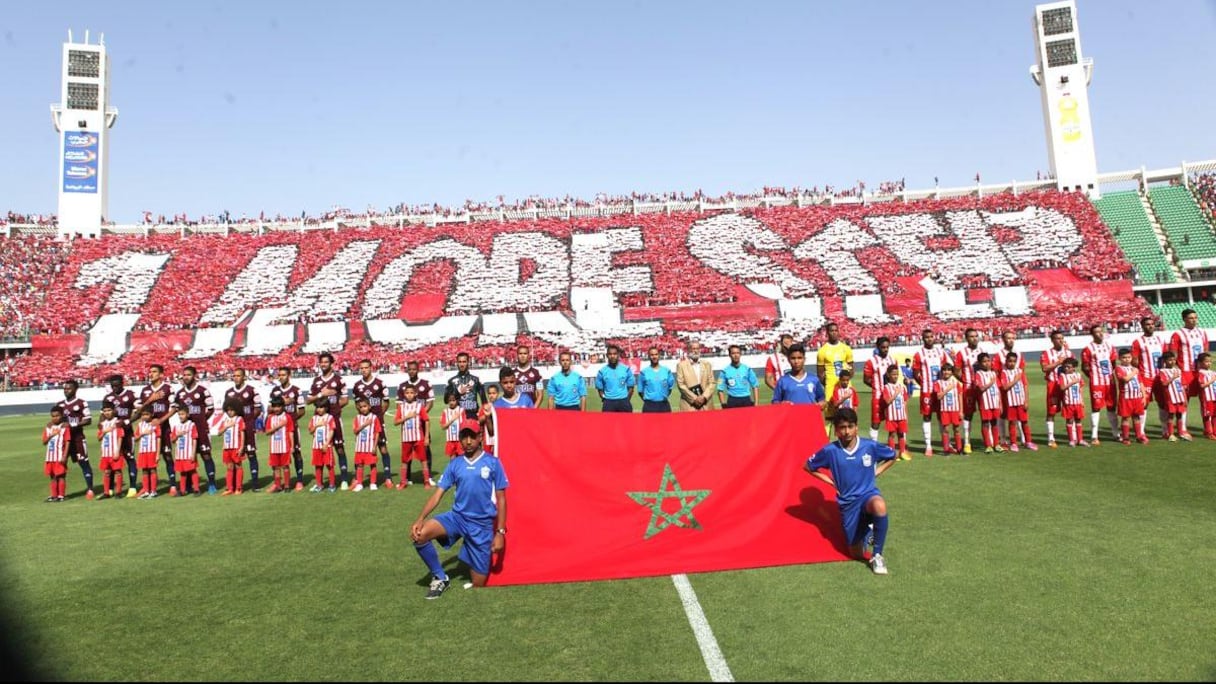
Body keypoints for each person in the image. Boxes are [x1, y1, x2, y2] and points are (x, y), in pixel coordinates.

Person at [410, 419, 508, 598]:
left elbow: (501, 499)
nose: (468, 441)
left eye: (472, 436)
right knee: (420, 535)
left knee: (479, 584)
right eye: (464, 437)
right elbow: (438, 494)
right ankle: (440, 577)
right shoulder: (455, 464)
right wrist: (420, 518)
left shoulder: (493, 463)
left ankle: (470, 548)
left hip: (481, 525)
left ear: (480, 437)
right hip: (457, 518)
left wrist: (500, 532)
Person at [804, 408, 897, 575]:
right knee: (855, 553)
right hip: (848, 503)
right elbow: (808, 466)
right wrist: (831, 481)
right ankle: (869, 531)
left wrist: (876, 472)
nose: (846, 431)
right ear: (837, 429)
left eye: (850, 426)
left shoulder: (869, 446)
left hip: (868, 495)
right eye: (842, 427)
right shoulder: (830, 451)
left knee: (880, 505)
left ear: (856, 427)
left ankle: (877, 556)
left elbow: (892, 456)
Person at [306, 353, 351, 488]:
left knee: (339, 448)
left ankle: (343, 479)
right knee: (320, 449)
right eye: (322, 362)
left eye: (326, 362)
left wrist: (334, 408)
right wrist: (321, 394)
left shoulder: (339, 380)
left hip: (335, 419)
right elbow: (308, 400)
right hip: (320, 422)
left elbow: (345, 399)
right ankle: (321, 482)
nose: (323, 364)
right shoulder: (316, 381)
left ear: (331, 364)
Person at [174, 365, 218, 494]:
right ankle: (187, 486)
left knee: (206, 455)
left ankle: (211, 483)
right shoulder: (180, 394)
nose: (185, 377)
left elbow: (210, 409)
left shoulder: (203, 391)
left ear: (194, 376)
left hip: (201, 429)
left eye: (188, 374)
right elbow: (177, 410)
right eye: (184, 375)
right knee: (187, 457)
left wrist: (202, 421)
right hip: (186, 433)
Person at [352, 358, 394, 489]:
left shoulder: (379, 384)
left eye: (366, 367)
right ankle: (357, 480)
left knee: (382, 448)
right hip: (364, 424)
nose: (364, 370)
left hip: (377, 422)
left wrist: (379, 415)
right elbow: (356, 404)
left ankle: (387, 477)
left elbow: (386, 402)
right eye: (362, 368)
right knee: (361, 449)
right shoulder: (357, 386)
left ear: (371, 368)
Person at [1170, 308, 1210, 439]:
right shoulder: (1178, 334)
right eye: (1191, 318)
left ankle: (1208, 430)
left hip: (1200, 372)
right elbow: (1173, 355)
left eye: (1195, 317)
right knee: (1183, 402)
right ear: (1184, 319)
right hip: (1185, 372)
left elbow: (1205, 353)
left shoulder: (1202, 333)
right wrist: (1177, 371)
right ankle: (1182, 429)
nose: (1194, 320)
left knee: (1205, 400)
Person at [55, 379, 95, 499]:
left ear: (75, 389)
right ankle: (60, 493)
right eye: (65, 388)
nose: (66, 390)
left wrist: (73, 425)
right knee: (61, 464)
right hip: (63, 441)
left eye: (69, 388)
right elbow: (56, 421)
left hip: (77, 439)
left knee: (83, 463)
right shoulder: (60, 405)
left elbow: (88, 420)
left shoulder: (82, 403)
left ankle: (90, 489)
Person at [225, 368, 263, 490]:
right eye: (234, 375)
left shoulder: (252, 390)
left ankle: (255, 483)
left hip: (248, 427)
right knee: (235, 457)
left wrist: (250, 421)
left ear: (244, 377)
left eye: (238, 375)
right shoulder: (229, 393)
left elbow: (258, 408)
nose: (236, 378)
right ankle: (236, 485)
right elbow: (227, 410)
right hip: (235, 431)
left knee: (251, 454)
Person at [912, 329, 948, 457]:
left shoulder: (940, 352)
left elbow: (946, 369)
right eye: (926, 337)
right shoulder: (918, 354)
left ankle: (946, 445)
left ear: (934, 337)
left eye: (931, 336)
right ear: (923, 339)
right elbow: (916, 373)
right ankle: (928, 446)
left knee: (941, 416)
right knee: (927, 417)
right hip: (927, 390)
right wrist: (923, 384)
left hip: (940, 389)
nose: (929, 339)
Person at [953, 328, 990, 454]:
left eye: (976, 336)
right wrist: (964, 381)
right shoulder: (961, 353)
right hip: (969, 388)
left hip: (982, 388)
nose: (974, 338)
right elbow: (956, 370)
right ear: (966, 338)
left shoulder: (983, 351)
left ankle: (988, 443)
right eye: (971, 336)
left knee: (986, 415)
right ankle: (967, 442)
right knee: (968, 415)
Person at [269, 367, 306, 492]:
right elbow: (270, 409)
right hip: (277, 430)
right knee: (276, 455)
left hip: (292, 427)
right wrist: (281, 403)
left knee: (296, 452)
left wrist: (290, 419)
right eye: (279, 375)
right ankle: (277, 483)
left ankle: (299, 480)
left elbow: (302, 411)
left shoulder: (296, 391)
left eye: (283, 374)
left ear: (289, 375)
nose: (281, 377)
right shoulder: (274, 391)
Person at [102, 374, 139, 498]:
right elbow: (103, 414)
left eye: (117, 385)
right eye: (113, 386)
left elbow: (139, 411)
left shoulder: (130, 395)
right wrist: (101, 426)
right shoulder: (108, 397)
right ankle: (111, 488)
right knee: (112, 459)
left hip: (127, 432)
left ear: (122, 384)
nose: (115, 388)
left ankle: (133, 487)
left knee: (130, 458)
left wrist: (128, 421)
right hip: (112, 436)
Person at [1081, 324, 1118, 445]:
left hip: (1110, 382)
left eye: (1101, 331)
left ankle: (1115, 433)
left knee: (1112, 407)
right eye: (1097, 332)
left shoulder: (1109, 346)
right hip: (1097, 383)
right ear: (1092, 334)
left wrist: (1110, 376)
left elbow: (1113, 363)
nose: (1100, 333)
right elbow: (1085, 367)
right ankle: (1094, 436)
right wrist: (1093, 377)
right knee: (1096, 408)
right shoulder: (1088, 349)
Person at [1132, 316, 1167, 429]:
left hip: (1159, 377)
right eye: (1147, 324)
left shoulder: (1161, 340)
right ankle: (1141, 431)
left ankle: (1165, 430)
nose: (1151, 326)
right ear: (1142, 326)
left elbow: (1166, 359)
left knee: (1162, 403)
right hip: (1145, 377)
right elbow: (1134, 361)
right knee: (1143, 404)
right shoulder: (1138, 342)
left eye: (1152, 324)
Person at [1040, 331, 1073, 449]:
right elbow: (1044, 368)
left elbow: (1073, 367)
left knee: (1070, 409)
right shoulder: (1046, 353)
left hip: (1067, 384)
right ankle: (1051, 438)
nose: (1060, 340)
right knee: (1051, 411)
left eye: (1062, 338)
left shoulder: (1069, 353)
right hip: (1053, 385)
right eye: (1057, 338)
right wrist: (1059, 362)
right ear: (1052, 340)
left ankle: (1072, 438)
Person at [393, 383, 429, 489]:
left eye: (411, 393)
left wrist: (426, 436)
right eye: (407, 393)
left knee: (423, 459)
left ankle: (426, 481)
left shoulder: (419, 406)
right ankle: (403, 482)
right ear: (404, 394)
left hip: (418, 438)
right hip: (406, 438)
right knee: (404, 460)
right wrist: (406, 417)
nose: (409, 395)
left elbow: (426, 421)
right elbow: (395, 422)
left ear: (415, 394)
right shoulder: (401, 407)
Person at [1000, 352, 1036, 451]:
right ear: (1006, 361)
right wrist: (1015, 380)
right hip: (1011, 402)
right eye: (1010, 361)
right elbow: (1005, 387)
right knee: (1012, 423)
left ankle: (1028, 441)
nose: (1012, 363)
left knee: (1025, 422)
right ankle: (1013, 443)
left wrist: (1026, 400)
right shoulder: (1004, 373)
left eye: (1014, 361)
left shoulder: (1020, 371)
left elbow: (1025, 386)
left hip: (1021, 401)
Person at [864, 337, 897, 441]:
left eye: (887, 347)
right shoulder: (871, 361)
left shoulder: (893, 360)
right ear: (878, 347)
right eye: (883, 347)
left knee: (892, 420)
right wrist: (876, 386)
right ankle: (873, 446)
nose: (885, 349)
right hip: (878, 397)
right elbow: (866, 379)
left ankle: (891, 447)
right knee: (876, 422)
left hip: (891, 397)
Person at [133, 406, 170, 498]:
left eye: (146, 414)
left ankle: (153, 491)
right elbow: (136, 438)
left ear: (152, 415)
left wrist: (158, 454)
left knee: (153, 470)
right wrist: (143, 433)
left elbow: (158, 439)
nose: (144, 416)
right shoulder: (140, 425)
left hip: (152, 451)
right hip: (142, 452)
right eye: (143, 415)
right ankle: (146, 490)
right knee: (144, 471)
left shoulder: (155, 425)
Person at [1114, 348, 1149, 445]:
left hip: (1137, 397)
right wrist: (1134, 372)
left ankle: (1138, 436)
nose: (1127, 359)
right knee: (1125, 418)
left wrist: (1144, 396)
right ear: (1120, 358)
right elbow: (1125, 379)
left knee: (1136, 417)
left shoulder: (1134, 368)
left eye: (1129, 357)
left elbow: (1141, 382)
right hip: (1126, 397)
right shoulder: (1119, 368)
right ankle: (1125, 437)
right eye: (1124, 358)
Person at [263, 397, 296, 493]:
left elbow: (290, 432)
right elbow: (267, 432)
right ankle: (278, 485)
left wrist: (292, 446)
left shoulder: (287, 417)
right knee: (275, 467)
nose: (276, 409)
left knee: (285, 466)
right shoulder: (270, 418)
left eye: (278, 406)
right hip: (274, 447)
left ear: (282, 406)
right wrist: (278, 426)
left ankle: (286, 485)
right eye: (274, 406)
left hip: (285, 446)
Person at [169, 405, 202, 496]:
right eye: (179, 414)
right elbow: (172, 440)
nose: (180, 416)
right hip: (180, 454)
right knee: (182, 472)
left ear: (187, 414)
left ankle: (196, 489)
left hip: (189, 453)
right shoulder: (177, 426)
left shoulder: (191, 425)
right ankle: (183, 490)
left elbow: (194, 439)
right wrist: (177, 435)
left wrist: (193, 453)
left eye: (182, 414)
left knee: (192, 471)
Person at [349, 397, 381, 492]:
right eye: (361, 407)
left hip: (370, 446)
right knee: (359, 465)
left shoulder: (374, 418)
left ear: (369, 406)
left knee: (372, 465)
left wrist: (375, 446)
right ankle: (359, 484)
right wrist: (365, 424)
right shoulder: (357, 418)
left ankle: (373, 483)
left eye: (365, 406)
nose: (363, 408)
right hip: (360, 447)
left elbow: (377, 432)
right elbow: (355, 431)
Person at [974, 353, 1003, 454]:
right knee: (985, 423)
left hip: (995, 402)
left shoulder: (994, 373)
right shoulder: (978, 374)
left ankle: (996, 444)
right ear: (980, 363)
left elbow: (998, 390)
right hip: (985, 403)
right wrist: (991, 383)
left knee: (995, 423)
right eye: (984, 361)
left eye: (988, 361)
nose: (987, 363)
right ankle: (988, 445)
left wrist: (1000, 404)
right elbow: (981, 388)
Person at [445, 352, 487, 420]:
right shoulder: (451, 381)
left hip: (474, 416)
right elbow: (446, 400)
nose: (462, 364)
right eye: (460, 362)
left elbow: (484, 401)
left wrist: (482, 415)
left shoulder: (476, 380)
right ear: (457, 363)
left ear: (468, 363)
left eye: (464, 362)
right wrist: (458, 392)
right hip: (458, 417)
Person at [676, 340, 716, 412]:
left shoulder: (707, 364)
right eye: (693, 349)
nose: (696, 351)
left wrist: (704, 397)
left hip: (706, 404)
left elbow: (712, 383)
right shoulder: (681, 365)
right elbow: (681, 385)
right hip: (689, 405)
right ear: (688, 350)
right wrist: (694, 398)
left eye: (697, 349)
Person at [880, 365, 910, 460]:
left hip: (901, 415)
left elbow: (904, 402)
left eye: (897, 374)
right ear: (888, 375)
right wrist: (895, 393)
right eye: (893, 374)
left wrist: (906, 415)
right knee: (892, 434)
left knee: (901, 434)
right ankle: (892, 454)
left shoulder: (902, 387)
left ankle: (902, 452)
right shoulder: (886, 388)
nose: (895, 376)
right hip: (892, 416)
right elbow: (887, 401)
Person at [97, 403, 126, 498]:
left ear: (113, 410)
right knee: (107, 472)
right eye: (105, 411)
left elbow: (120, 437)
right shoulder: (102, 424)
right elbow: (99, 438)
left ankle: (118, 492)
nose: (107, 413)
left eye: (109, 410)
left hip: (114, 451)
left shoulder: (117, 422)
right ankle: (106, 492)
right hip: (106, 453)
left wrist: (117, 450)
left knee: (118, 471)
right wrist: (105, 431)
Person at [596, 345, 636, 412]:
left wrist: (626, 399)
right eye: (610, 354)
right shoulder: (602, 371)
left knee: (627, 422)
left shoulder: (626, 369)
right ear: (606, 355)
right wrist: (605, 399)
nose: (612, 356)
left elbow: (631, 387)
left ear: (618, 355)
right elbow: (600, 389)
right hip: (608, 403)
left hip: (624, 402)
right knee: (608, 423)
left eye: (614, 354)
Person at [1057, 358, 1088, 447]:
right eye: (1065, 367)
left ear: (1074, 368)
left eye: (1068, 367)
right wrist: (1072, 382)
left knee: (1078, 420)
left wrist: (1082, 400)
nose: (1066, 368)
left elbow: (1080, 388)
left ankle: (1080, 439)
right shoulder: (1062, 376)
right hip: (1068, 403)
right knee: (1069, 420)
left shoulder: (1078, 375)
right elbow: (1062, 388)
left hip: (1077, 402)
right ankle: (1071, 440)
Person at [42, 407, 71, 502]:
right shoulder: (48, 427)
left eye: (57, 416)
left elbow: (67, 442)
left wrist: (65, 456)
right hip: (50, 457)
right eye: (53, 416)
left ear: (62, 416)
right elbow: (44, 441)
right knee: (53, 476)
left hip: (59, 456)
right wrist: (52, 434)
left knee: (61, 476)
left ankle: (61, 495)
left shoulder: (65, 427)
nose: (55, 418)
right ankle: (54, 495)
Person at [308, 401, 337, 492]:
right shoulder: (314, 418)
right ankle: (319, 485)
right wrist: (317, 425)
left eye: (321, 407)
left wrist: (326, 443)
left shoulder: (330, 418)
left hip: (326, 446)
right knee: (318, 466)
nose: (319, 409)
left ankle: (332, 485)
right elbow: (311, 431)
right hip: (316, 446)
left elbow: (332, 431)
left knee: (329, 465)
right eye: (317, 407)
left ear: (326, 408)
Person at [218, 401, 246, 495]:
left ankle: (239, 487)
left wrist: (242, 446)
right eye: (228, 410)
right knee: (229, 467)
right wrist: (226, 427)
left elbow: (242, 433)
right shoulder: (225, 421)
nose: (230, 412)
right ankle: (229, 488)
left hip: (236, 447)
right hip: (227, 448)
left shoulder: (239, 419)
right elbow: (219, 433)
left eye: (232, 410)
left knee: (238, 465)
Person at [718, 345, 759, 409]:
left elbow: (755, 386)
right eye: (733, 353)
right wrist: (723, 404)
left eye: (737, 353)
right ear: (729, 355)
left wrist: (756, 403)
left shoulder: (747, 369)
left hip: (746, 399)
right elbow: (720, 389)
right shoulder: (724, 371)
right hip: (732, 400)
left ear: (740, 354)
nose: (736, 355)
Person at [934, 365, 964, 455]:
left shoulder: (956, 382)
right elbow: (939, 396)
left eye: (948, 370)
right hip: (945, 410)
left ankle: (959, 449)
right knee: (946, 429)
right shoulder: (938, 383)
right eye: (944, 370)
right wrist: (947, 389)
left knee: (957, 429)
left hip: (955, 409)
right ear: (942, 372)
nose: (946, 372)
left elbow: (960, 396)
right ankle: (946, 449)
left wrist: (961, 411)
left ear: (951, 372)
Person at [1158, 351, 1187, 441]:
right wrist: (1173, 377)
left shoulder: (1178, 370)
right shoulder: (1162, 371)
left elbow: (1182, 385)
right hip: (1171, 397)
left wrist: (1185, 397)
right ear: (1165, 361)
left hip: (1179, 397)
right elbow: (1164, 383)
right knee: (1171, 416)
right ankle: (1170, 434)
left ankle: (1180, 432)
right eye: (1170, 360)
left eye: (1174, 359)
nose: (1172, 362)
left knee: (1179, 415)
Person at [637, 346, 676, 413]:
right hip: (649, 406)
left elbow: (670, 388)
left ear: (659, 355)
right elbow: (640, 391)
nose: (654, 357)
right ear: (649, 356)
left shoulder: (666, 371)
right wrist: (648, 400)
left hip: (664, 405)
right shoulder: (644, 372)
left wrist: (663, 396)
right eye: (652, 355)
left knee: (666, 423)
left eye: (656, 354)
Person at [439, 391, 464, 459]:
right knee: (452, 460)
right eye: (450, 400)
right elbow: (443, 427)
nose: (451, 402)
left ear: (457, 400)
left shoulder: (461, 410)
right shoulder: (445, 412)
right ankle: (453, 469)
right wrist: (452, 420)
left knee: (461, 459)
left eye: (453, 400)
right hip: (450, 441)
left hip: (460, 440)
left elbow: (465, 425)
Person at [1197, 352, 1216, 439]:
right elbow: (1201, 385)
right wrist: (1211, 381)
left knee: (1214, 415)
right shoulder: (1201, 373)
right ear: (1200, 363)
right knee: (1207, 415)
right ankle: (1208, 432)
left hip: (1214, 397)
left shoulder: (1213, 372)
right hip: (1207, 398)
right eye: (1206, 361)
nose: (1209, 363)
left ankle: (1214, 432)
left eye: (1210, 361)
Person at [480, 385, 500, 454]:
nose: (491, 395)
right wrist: (487, 415)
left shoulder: (501, 406)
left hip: (499, 439)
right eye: (489, 393)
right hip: (487, 440)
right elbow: (479, 421)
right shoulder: (484, 407)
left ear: (498, 393)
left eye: (493, 393)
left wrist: (494, 413)